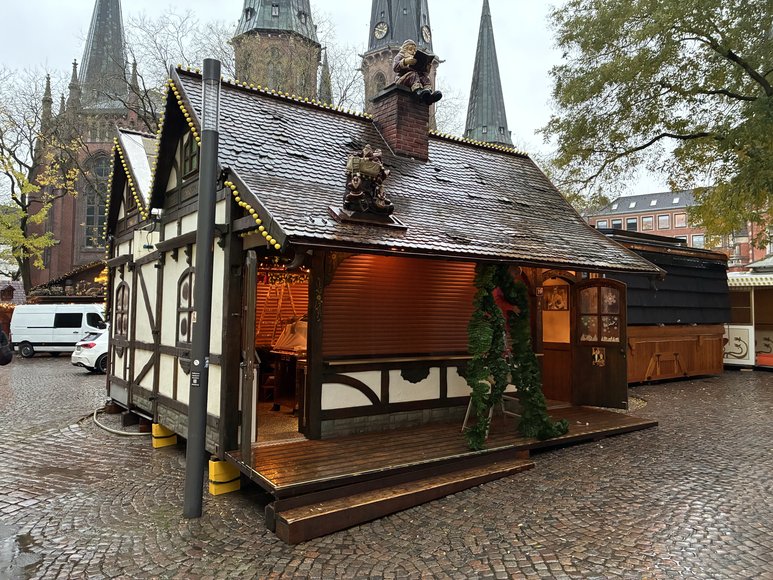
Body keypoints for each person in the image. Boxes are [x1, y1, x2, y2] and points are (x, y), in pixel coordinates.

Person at [393, 40, 442, 104]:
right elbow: (395, 67)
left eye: (414, 50)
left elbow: (423, 73)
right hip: (402, 79)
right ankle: (418, 91)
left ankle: (429, 95)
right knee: (413, 74)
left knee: (424, 78)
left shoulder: (415, 57)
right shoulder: (400, 56)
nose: (413, 51)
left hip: (415, 78)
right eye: (410, 49)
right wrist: (405, 61)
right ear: (405, 49)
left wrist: (427, 68)